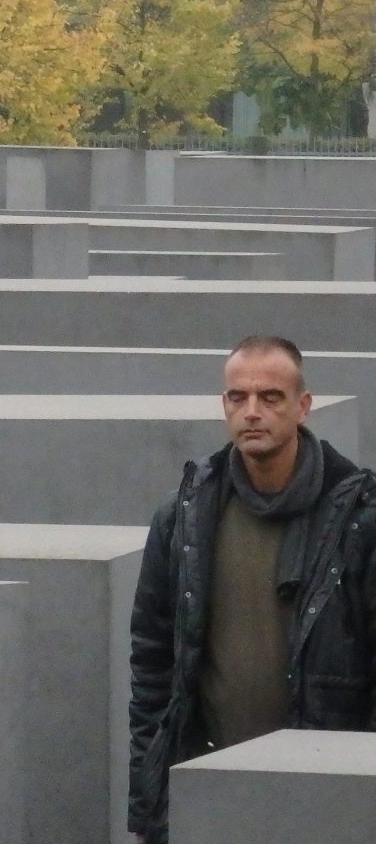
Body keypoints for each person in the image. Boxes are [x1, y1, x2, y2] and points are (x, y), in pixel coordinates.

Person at [127, 335, 376, 842]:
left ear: (303, 407)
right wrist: (152, 793)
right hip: (210, 782)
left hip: (323, 791)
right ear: (224, 406)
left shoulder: (359, 522)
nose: (253, 411)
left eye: (271, 397)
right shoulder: (183, 518)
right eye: (237, 397)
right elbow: (153, 664)